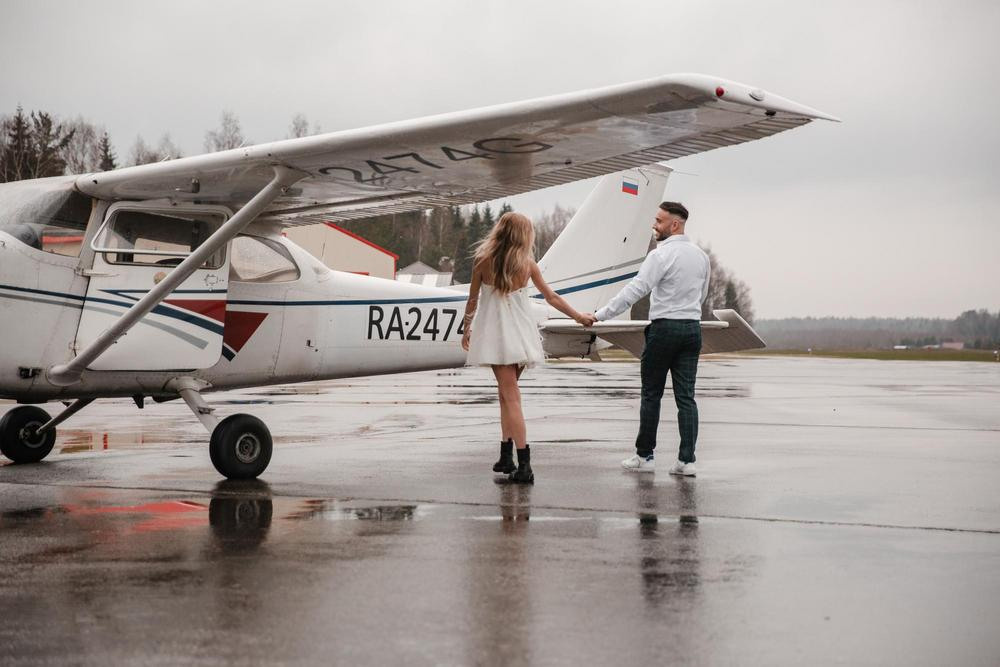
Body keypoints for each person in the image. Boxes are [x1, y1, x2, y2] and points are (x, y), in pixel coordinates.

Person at [462, 212, 595, 484]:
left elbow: (472, 301)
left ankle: (524, 464)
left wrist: (466, 328)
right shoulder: (527, 265)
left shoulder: (483, 261)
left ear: (500, 231)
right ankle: (506, 455)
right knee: (506, 395)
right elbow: (552, 297)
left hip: (498, 338)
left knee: (510, 398)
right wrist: (578, 316)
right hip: (522, 336)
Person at [585, 202, 709, 476]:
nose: (654, 225)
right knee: (686, 397)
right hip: (692, 329)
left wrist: (601, 314)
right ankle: (686, 461)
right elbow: (702, 295)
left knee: (651, 394)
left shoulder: (660, 256)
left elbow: (636, 290)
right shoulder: (701, 256)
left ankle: (645, 456)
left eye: (659, 221)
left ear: (674, 225)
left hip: (664, 329)